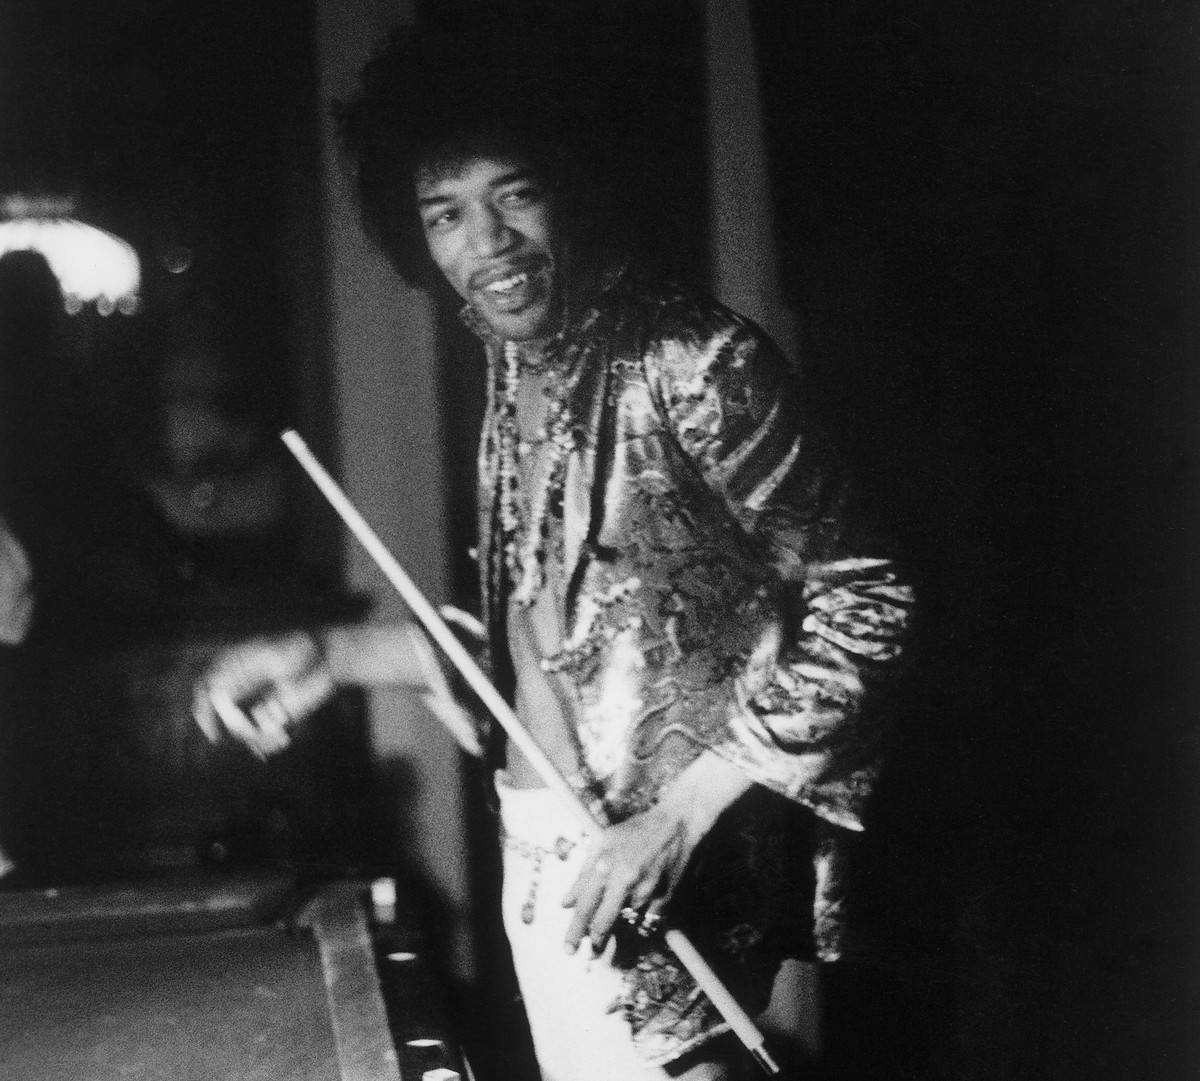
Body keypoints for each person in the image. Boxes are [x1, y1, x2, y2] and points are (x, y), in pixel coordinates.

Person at [194, 25, 914, 1081]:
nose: (488, 245)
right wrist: (330, 656)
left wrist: (678, 817)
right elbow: (550, 654)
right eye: (446, 214)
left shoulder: (695, 361)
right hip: (543, 848)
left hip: (670, 871)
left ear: (572, 184)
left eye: (515, 194)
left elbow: (872, 599)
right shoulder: (510, 366)